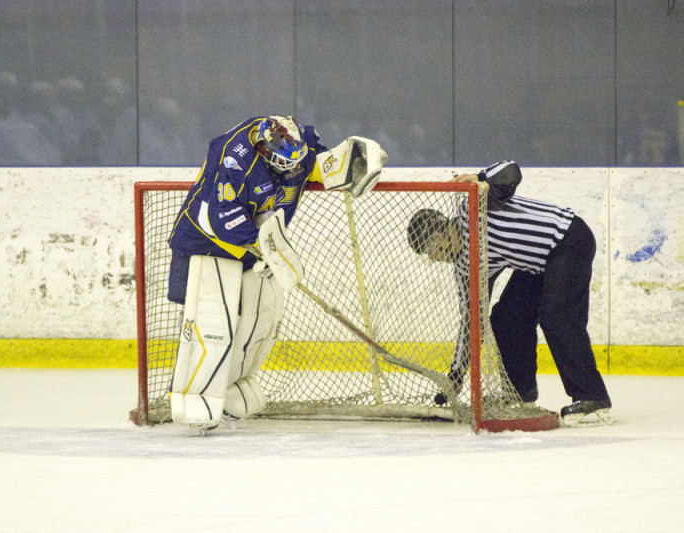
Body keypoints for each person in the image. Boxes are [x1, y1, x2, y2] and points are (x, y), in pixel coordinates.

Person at [166, 114, 387, 432]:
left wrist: (354, 163)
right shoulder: (234, 160)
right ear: (264, 153)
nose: (295, 171)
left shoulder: (291, 147)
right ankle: (197, 399)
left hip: (253, 246)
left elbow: (319, 164)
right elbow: (219, 218)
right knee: (214, 325)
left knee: (261, 319)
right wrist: (262, 249)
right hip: (205, 244)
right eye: (287, 165)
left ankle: (233, 390)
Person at [406, 160, 613, 426]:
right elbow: (472, 321)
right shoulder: (464, 266)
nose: (432, 260)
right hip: (536, 264)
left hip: (568, 239)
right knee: (505, 318)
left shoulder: (472, 207)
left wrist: (481, 178)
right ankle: (519, 393)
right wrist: (456, 376)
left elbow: (510, 171)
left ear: (436, 237)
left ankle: (593, 397)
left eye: (428, 252)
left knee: (557, 318)